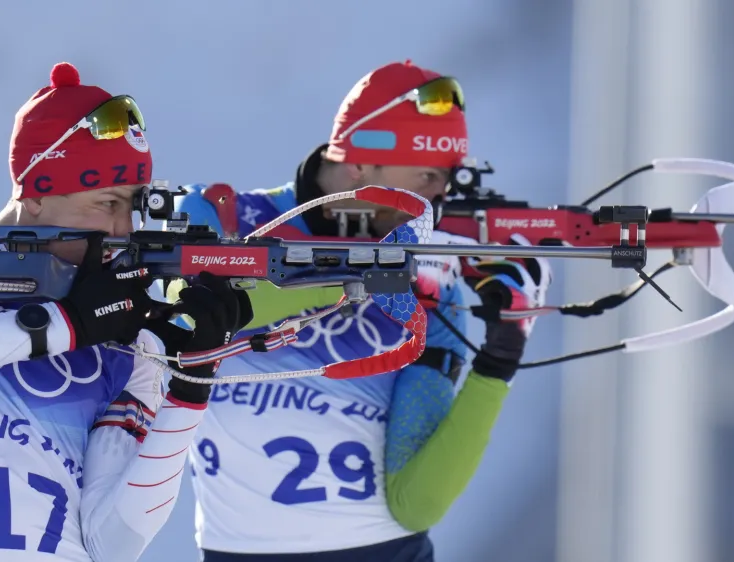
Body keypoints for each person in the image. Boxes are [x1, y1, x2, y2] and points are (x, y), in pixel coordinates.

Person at [0, 62, 252, 562]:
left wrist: (189, 394)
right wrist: (66, 325)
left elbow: (112, 543)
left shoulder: (125, 330)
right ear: (35, 195)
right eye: (107, 202)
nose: (122, 228)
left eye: (133, 205)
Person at [169, 61, 552, 561]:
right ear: (359, 168)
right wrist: (359, 278)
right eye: (427, 177)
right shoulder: (226, 220)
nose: (440, 199)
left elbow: (417, 504)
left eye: (448, 180)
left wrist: (504, 350)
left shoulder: (431, 277)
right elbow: (184, 327)